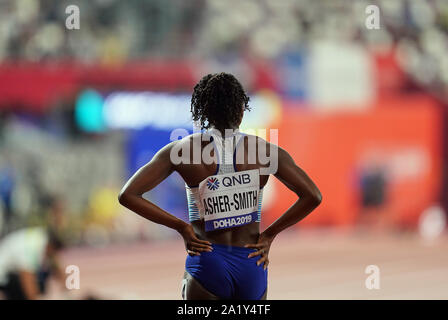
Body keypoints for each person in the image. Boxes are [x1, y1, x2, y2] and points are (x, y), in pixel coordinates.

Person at [118, 72, 322, 300]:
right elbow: (312, 195)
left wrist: (181, 227)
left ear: (202, 112)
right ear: (242, 110)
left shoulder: (182, 151)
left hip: (207, 261)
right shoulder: (265, 152)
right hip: (250, 261)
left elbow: (128, 194)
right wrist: (269, 235)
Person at [0, 227, 65, 300]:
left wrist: (64, 282)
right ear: (51, 246)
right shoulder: (33, 246)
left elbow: (53, 261)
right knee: (38, 283)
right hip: (3, 277)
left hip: (10, 272)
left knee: (41, 278)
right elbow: (26, 277)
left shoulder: (41, 237)